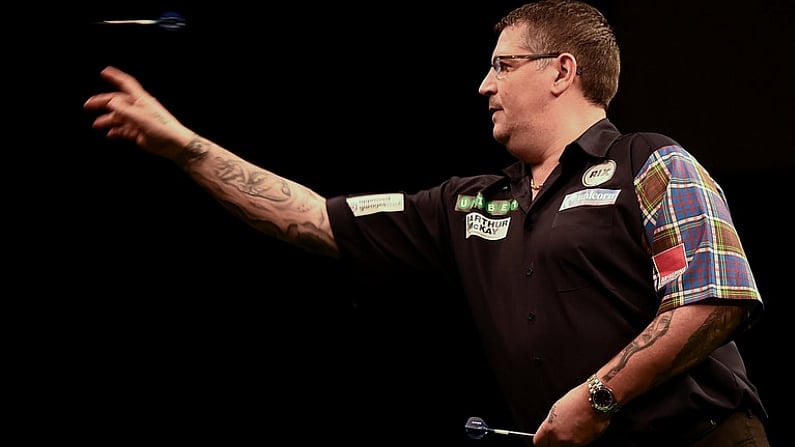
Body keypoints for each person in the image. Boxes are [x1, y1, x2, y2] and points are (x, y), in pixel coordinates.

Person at [83, 1, 771, 445]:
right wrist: (183, 145)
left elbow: (714, 300)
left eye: (502, 66)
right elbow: (310, 217)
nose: (483, 85)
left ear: (562, 71)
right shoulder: (467, 202)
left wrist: (595, 399)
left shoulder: (650, 160)